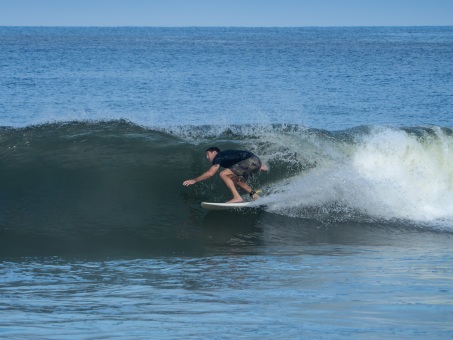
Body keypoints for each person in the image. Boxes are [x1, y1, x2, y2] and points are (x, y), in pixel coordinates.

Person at [183, 147, 267, 203]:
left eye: (208, 154)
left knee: (223, 174)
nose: (207, 157)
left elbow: (211, 173)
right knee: (235, 180)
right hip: (255, 162)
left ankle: (237, 197)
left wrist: (194, 180)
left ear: (214, 152)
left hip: (251, 161)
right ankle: (255, 195)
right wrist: (258, 165)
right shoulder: (227, 157)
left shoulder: (218, 156)